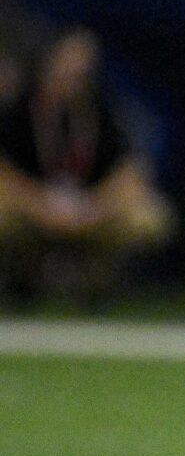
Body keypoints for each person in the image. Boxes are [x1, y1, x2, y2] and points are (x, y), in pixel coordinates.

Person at [0, 22, 174, 306]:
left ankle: (96, 278)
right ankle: (20, 272)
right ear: (49, 61)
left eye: (84, 68)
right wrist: (40, 209)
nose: (75, 73)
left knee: (149, 216)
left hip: (87, 210)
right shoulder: (18, 109)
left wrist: (95, 208)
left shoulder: (103, 111)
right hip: (32, 208)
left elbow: (130, 172)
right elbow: (4, 172)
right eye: (68, 63)